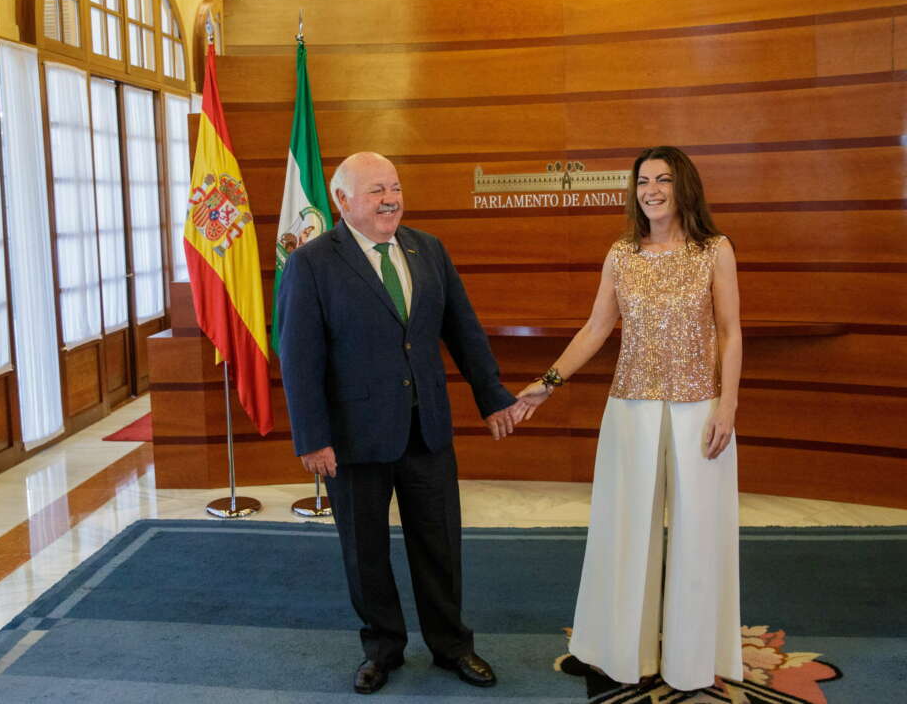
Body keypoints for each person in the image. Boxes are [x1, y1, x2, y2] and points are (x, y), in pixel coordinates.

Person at [276, 152, 521, 694]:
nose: (390, 199)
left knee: (440, 545)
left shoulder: (427, 248)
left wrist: (493, 396)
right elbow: (298, 359)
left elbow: (463, 329)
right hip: (352, 438)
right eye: (375, 191)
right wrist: (311, 438)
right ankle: (382, 649)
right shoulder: (311, 263)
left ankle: (452, 645)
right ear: (341, 202)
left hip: (426, 427)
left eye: (395, 187)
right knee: (365, 552)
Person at [516, 146, 743, 692]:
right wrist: (547, 385)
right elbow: (595, 329)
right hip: (631, 409)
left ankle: (692, 658)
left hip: (700, 409)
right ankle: (617, 650)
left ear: (684, 185)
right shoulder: (621, 254)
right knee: (623, 532)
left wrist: (728, 404)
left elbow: (731, 331)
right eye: (644, 181)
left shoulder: (715, 250)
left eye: (663, 179)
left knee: (698, 534)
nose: (652, 190)